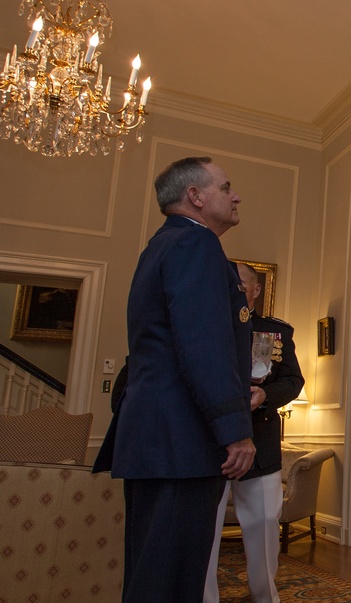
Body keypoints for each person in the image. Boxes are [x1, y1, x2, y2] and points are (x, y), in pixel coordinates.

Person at [93, 156, 256, 602]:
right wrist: (236, 430)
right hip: (182, 441)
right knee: (171, 580)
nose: (235, 194)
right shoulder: (195, 245)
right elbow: (203, 346)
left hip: (158, 439)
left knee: (153, 573)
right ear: (196, 196)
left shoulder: (162, 246)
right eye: (226, 187)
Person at [204, 263, 305, 603]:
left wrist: (265, 397)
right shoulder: (203, 324)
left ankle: (264, 596)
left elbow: (293, 381)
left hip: (259, 442)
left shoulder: (275, 332)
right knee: (205, 531)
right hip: (209, 444)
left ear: (256, 290)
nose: (233, 289)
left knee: (263, 525)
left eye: (240, 283)